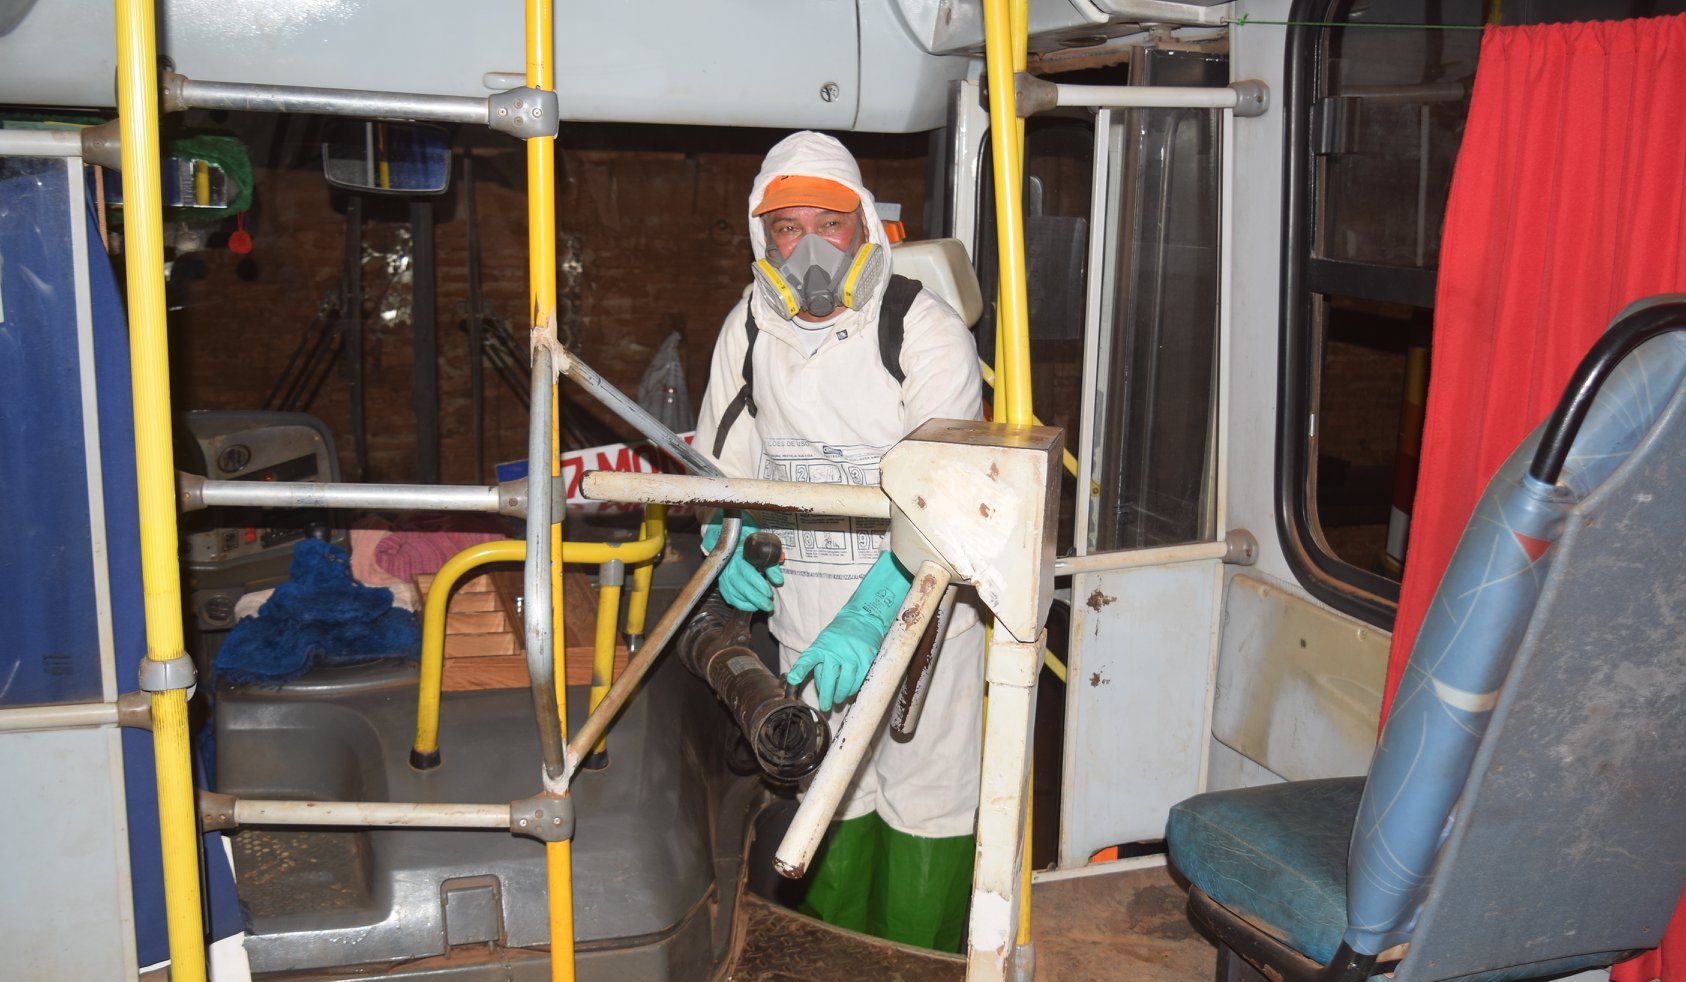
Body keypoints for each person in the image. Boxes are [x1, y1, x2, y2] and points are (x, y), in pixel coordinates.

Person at [693, 131, 986, 952]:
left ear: (867, 229)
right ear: (763, 238)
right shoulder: (750, 330)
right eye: (789, 229)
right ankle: (830, 965)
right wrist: (731, 537)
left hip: (927, 631)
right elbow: (721, 473)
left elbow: (952, 494)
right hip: (806, 630)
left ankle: (918, 966)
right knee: (826, 800)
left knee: (925, 804)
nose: (811, 248)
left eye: (832, 222)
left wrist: (876, 614)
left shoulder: (923, 334)